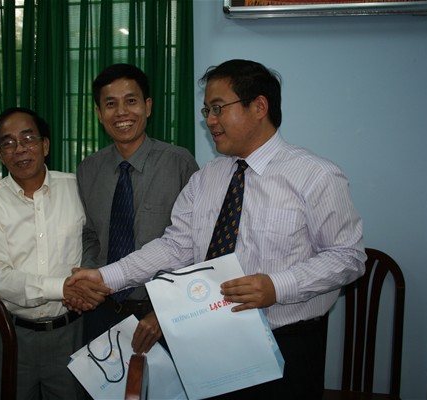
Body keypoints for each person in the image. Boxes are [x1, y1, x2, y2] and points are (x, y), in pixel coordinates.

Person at [66, 59, 366, 399]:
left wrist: (277, 286)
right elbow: (175, 247)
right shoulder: (207, 178)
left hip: (286, 345)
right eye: (207, 110)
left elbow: (348, 257)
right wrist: (105, 277)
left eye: (218, 108)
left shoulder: (315, 176)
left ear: (259, 107)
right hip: (209, 337)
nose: (209, 120)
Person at [0, 107, 110, 400]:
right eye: (8, 143)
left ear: (45, 145)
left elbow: (96, 242)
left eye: (28, 138)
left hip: (72, 332)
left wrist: (86, 283)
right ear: (0, 154)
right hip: (13, 335)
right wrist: (63, 288)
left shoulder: (77, 188)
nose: (20, 149)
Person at [77, 63, 199, 353]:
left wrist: (167, 311)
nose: (121, 112)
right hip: (101, 312)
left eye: (131, 101)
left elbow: (197, 245)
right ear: (99, 114)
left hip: (160, 315)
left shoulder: (179, 163)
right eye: (110, 104)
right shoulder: (88, 169)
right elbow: (90, 235)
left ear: (148, 106)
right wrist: (90, 280)